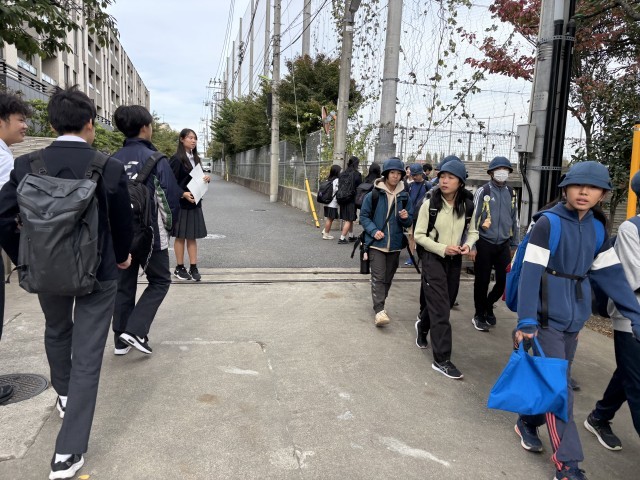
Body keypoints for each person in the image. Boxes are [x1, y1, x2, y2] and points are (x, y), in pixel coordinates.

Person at [0, 86, 133, 479]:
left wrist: (25, 258)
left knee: (57, 330)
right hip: (99, 272)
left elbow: (2, 216)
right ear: (90, 122)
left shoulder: (26, 165)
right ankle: (68, 452)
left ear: (52, 123)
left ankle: (63, 392)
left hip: (47, 270)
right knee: (88, 355)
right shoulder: (107, 166)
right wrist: (123, 255)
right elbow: (122, 220)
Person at [513, 161, 640, 480]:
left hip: (574, 320)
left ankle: (528, 420)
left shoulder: (597, 228)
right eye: (578, 185)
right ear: (565, 189)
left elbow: (611, 275)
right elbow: (530, 273)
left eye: (593, 187)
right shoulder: (548, 223)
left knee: (553, 381)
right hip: (544, 320)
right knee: (560, 390)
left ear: (603, 195)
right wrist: (526, 319)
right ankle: (568, 464)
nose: (584, 192)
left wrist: (635, 314)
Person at [111, 105, 181, 355]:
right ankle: (135, 330)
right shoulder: (157, 160)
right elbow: (168, 202)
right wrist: (169, 229)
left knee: (123, 285)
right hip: (151, 236)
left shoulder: (111, 159)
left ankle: (120, 341)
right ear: (145, 128)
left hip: (119, 236)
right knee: (160, 281)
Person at [583, 170, 640, 450]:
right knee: (637, 384)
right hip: (632, 316)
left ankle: (600, 416)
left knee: (630, 372)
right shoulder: (632, 229)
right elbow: (632, 278)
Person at [414, 159, 478, 379]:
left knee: (446, 301)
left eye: (450, 177)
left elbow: (474, 231)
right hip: (433, 257)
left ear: (460, 182)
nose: (444, 181)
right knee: (441, 309)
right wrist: (442, 248)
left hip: (454, 259)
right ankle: (442, 360)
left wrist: (468, 245)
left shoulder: (467, 205)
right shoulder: (430, 204)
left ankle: (422, 326)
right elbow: (419, 235)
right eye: (442, 176)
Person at [0, 91, 31, 405]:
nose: (25, 126)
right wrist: (23, 259)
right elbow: (4, 214)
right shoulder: (3, 159)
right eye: (20, 119)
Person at [359, 157, 413, 327]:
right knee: (378, 277)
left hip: (395, 245)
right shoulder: (374, 194)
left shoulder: (405, 196)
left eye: (398, 173)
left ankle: (380, 304)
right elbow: (364, 216)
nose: (395, 176)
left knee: (388, 278)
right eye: (392, 173)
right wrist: (374, 231)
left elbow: (409, 220)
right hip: (376, 244)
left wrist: (405, 218)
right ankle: (379, 310)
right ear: (386, 174)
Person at [469, 156, 519, 331]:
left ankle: (489, 304)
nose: (502, 172)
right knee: (482, 281)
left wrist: (514, 243)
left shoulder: (511, 193)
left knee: (504, 281)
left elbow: (515, 219)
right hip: (484, 243)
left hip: (504, 244)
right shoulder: (483, 191)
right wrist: (472, 245)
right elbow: (474, 218)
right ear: (491, 172)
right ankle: (479, 314)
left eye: (505, 169)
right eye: (498, 169)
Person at [169, 128, 211, 280]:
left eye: (195, 138)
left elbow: (197, 179)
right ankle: (179, 267)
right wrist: (183, 193)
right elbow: (170, 182)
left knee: (192, 236)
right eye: (190, 138)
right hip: (181, 203)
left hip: (195, 202)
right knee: (180, 236)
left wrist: (206, 179)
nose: (193, 140)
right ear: (182, 139)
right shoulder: (176, 159)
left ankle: (193, 267)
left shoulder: (196, 159)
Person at [404, 163, 431, 267]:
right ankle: (411, 257)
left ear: (421, 174)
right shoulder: (410, 185)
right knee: (411, 236)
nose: (414, 177)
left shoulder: (427, 185)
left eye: (416, 175)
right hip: (412, 215)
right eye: (412, 175)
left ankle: (424, 256)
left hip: (424, 216)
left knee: (423, 237)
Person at [338, 156, 362, 244]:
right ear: (356, 164)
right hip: (351, 198)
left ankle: (351, 236)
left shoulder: (342, 174)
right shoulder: (357, 174)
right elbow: (359, 187)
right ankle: (342, 238)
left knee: (349, 218)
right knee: (349, 219)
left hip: (342, 198)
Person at [321, 164, 341, 240]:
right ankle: (326, 234)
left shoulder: (328, 180)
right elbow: (337, 190)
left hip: (327, 202)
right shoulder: (337, 181)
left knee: (330, 218)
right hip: (332, 203)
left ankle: (325, 231)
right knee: (330, 219)